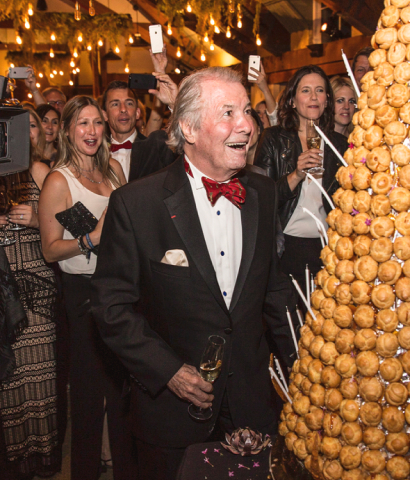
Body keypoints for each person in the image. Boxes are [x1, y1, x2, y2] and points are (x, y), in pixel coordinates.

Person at [91, 66, 297, 480]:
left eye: (246, 111)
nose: (247, 126)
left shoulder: (262, 192)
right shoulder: (137, 204)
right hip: (172, 414)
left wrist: (303, 369)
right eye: (227, 113)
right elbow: (111, 307)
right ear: (187, 128)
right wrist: (167, 370)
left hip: (254, 403)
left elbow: (275, 294)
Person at [38, 96, 138, 480]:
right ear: (67, 130)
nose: (92, 131)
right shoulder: (57, 180)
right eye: (82, 124)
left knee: (122, 391)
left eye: (97, 123)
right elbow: (50, 250)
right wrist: (92, 238)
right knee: (87, 397)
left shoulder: (113, 169)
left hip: (118, 289)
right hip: (82, 294)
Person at [0, 110, 62, 478]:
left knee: (39, 380)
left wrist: (38, 217)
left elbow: (70, 219)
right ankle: (15, 465)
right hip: (1, 288)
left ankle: (45, 462)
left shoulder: (39, 170)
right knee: (8, 381)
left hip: (37, 288)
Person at [254, 65, 347, 299]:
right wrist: (296, 174)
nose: (314, 97)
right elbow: (260, 199)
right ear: (293, 100)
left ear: (327, 100)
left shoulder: (339, 145)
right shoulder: (273, 139)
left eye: (320, 90)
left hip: (327, 248)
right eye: (306, 90)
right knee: (287, 326)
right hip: (285, 247)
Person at [249, 62, 278, 128]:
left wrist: (265, 88)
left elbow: (274, 115)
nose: (261, 116)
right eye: (258, 112)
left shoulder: (274, 136)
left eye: (265, 113)